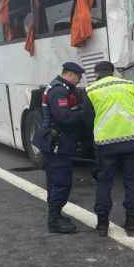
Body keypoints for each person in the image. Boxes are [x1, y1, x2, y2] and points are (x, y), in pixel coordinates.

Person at [86, 61, 134, 236]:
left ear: (96, 73)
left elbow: (87, 118)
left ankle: (103, 225)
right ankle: (131, 223)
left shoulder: (91, 90)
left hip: (106, 144)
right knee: (132, 182)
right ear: (112, 72)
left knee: (104, 183)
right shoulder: (130, 86)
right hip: (133, 141)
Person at [33, 62, 87, 233]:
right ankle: (54, 221)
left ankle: (56, 215)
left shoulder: (58, 87)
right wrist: (83, 111)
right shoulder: (59, 91)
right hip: (58, 143)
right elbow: (64, 117)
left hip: (55, 142)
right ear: (70, 74)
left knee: (54, 181)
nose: (78, 82)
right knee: (61, 182)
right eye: (78, 78)